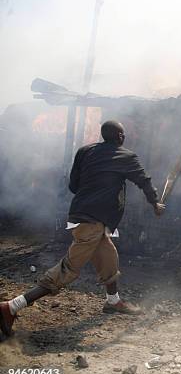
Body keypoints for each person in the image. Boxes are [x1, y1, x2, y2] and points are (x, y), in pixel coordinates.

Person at [0, 120, 165, 339]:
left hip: (80, 216)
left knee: (109, 257)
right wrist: (155, 203)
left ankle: (113, 301)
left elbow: (73, 185)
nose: (124, 137)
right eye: (122, 133)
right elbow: (143, 181)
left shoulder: (85, 151)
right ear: (120, 136)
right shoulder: (126, 156)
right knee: (67, 270)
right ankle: (11, 306)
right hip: (92, 222)